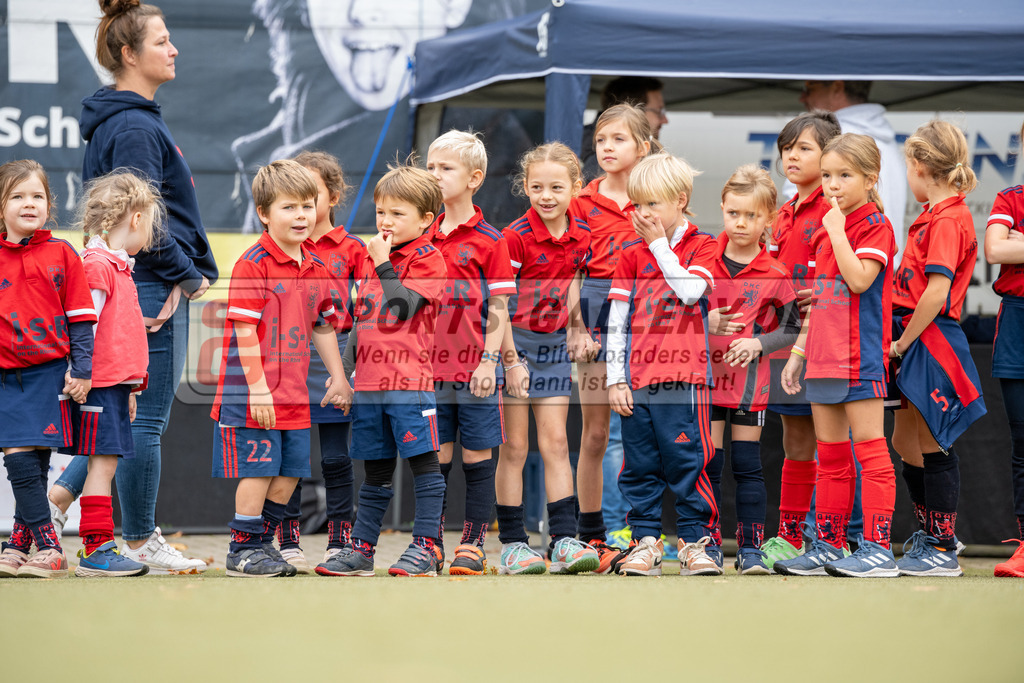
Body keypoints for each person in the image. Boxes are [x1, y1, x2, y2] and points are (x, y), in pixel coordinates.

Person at [49, 0, 217, 575]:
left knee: (121, 417)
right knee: (143, 421)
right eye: (161, 41)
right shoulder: (133, 126)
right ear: (128, 53)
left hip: (145, 282)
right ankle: (141, 538)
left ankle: (51, 507)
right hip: (148, 285)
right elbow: (135, 220)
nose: (174, 49)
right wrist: (186, 274)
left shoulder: (132, 119)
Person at [211, 159, 351, 578]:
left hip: (294, 395)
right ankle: (241, 550)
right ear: (264, 213)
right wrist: (257, 388)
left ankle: (261, 545)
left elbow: (323, 325)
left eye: (307, 205)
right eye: (289, 207)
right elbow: (244, 331)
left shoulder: (317, 265)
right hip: (253, 394)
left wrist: (339, 376)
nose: (301, 215)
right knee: (260, 471)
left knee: (290, 474)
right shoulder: (252, 264)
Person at [315, 164, 449, 578]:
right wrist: (343, 374)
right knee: (375, 471)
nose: (385, 222)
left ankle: (426, 547)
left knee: (424, 465)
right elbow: (363, 321)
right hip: (369, 387)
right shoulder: (376, 259)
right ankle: (361, 550)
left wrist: (382, 263)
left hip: (409, 384)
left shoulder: (428, 258)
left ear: (425, 220)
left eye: (397, 214)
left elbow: (403, 307)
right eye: (380, 213)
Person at [775, 134, 899, 578]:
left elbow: (860, 279)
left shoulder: (873, 225)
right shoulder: (832, 229)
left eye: (845, 175)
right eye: (827, 175)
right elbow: (822, 299)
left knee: (870, 452)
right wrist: (798, 352)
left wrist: (835, 229)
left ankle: (878, 550)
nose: (833, 184)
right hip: (822, 358)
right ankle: (828, 544)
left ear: (870, 179)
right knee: (830, 457)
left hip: (860, 356)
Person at [608, 153, 721, 577]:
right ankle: (645, 543)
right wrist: (615, 379)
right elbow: (617, 321)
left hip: (685, 379)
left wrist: (659, 246)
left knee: (688, 461)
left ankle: (695, 542)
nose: (643, 214)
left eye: (652, 204)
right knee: (639, 466)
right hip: (638, 380)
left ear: (680, 200)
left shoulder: (704, 244)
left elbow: (690, 292)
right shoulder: (630, 254)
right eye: (638, 205)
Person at [495, 142, 599, 575]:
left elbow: (572, 280)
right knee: (515, 447)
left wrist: (577, 327)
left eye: (557, 187)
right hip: (513, 344)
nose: (546, 195)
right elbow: (499, 304)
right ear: (525, 186)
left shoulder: (582, 234)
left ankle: (564, 540)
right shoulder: (514, 237)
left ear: (576, 187)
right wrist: (510, 361)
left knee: (556, 443)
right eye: (537, 187)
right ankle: (513, 544)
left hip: (554, 347)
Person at [889, 121, 985, 577]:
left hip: (929, 337)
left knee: (933, 441)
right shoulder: (935, 212)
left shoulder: (948, 217)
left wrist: (903, 342)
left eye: (908, 166)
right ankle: (933, 535)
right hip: (915, 334)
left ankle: (943, 546)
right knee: (903, 440)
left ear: (921, 166)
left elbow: (936, 292)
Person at [61, 171, 164, 578]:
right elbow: (84, 325)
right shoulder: (98, 265)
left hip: (113, 387)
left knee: (105, 464)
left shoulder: (117, 266)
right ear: (136, 218)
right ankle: (97, 549)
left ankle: (93, 546)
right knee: (101, 466)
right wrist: (82, 374)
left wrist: (131, 388)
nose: (150, 234)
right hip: (97, 387)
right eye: (150, 223)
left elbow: (118, 335)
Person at [425, 130, 519, 575]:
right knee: (436, 458)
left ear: (474, 178)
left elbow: (499, 306)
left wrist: (490, 361)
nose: (435, 175)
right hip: (427, 371)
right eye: (430, 167)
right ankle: (429, 543)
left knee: (477, 457)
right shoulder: (419, 234)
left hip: (476, 370)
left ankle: (473, 545)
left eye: (446, 168)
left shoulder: (491, 239)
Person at [0, 159, 96, 579]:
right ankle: (50, 545)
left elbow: (81, 319)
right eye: (17, 196)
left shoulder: (63, 253)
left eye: (37, 196)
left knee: (35, 460)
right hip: (6, 378)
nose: (29, 204)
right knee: (19, 455)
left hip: (50, 374)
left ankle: (20, 544)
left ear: (49, 205)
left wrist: (83, 369)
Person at [756, 111, 842, 571]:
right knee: (795, 439)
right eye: (787, 148)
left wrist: (822, 290)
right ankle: (791, 535)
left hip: (826, 340)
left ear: (830, 156)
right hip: (787, 339)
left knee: (834, 441)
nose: (792, 156)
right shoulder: (784, 209)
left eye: (804, 148)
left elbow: (846, 278)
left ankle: (837, 536)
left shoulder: (834, 209)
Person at [273, 151, 365, 573]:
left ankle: (339, 539)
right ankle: (287, 538)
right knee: (290, 456)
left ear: (333, 196)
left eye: (311, 196)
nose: (303, 208)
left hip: (335, 361)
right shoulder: (284, 244)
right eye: (293, 198)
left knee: (335, 457)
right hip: (289, 360)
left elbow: (366, 311)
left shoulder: (353, 248)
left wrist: (346, 369)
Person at [706, 165, 800, 575]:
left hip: (749, 386)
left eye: (751, 215)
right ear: (722, 209)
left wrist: (759, 343)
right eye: (733, 213)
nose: (741, 223)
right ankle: (707, 546)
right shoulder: (701, 260)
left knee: (747, 466)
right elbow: (674, 312)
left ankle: (750, 550)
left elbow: (792, 327)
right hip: (705, 382)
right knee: (708, 466)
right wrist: (705, 321)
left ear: (769, 218)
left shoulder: (776, 272)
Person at [572, 104, 652, 573]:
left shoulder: (657, 197)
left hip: (649, 316)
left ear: (643, 147)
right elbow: (568, 273)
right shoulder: (580, 203)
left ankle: (641, 531)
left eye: (618, 139)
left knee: (642, 430)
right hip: (596, 313)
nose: (606, 147)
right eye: (601, 139)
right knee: (598, 432)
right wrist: (576, 327)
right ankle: (595, 533)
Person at [798, 80, 907, 262]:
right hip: (877, 266)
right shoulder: (888, 141)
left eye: (809, 89)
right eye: (826, 175)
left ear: (837, 87)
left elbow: (803, 213)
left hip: (851, 268)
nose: (802, 97)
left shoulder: (831, 137)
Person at [986, 120, 1024, 578]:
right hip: (1016, 322)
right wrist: (1009, 244)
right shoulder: (1010, 198)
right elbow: (995, 250)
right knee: (1023, 444)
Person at [581, 77, 667, 181]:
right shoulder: (597, 176)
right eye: (659, 111)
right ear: (634, 111)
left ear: (643, 148)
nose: (665, 120)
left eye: (618, 139)